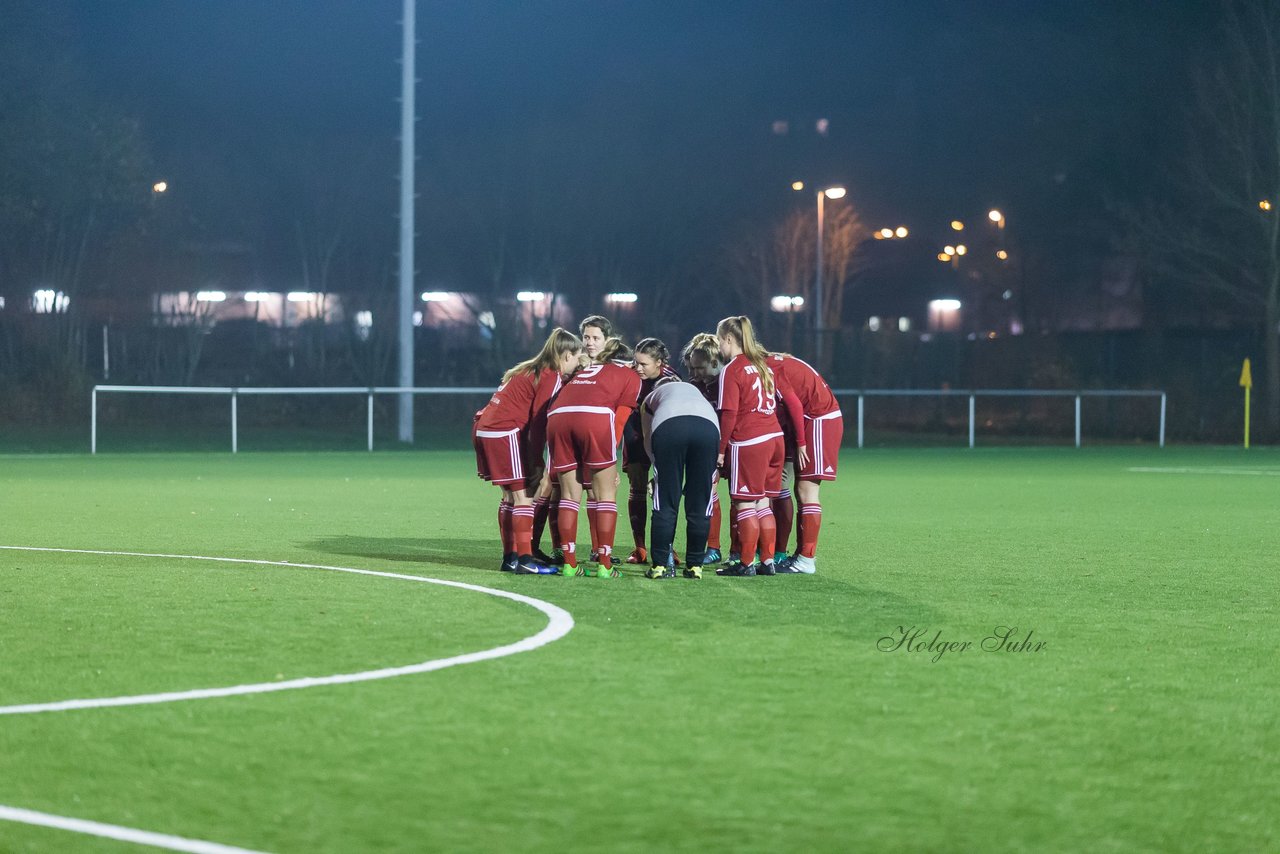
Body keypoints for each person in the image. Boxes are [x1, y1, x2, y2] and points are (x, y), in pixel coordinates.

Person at [473, 327, 583, 574]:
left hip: (487, 429)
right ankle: (525, 561)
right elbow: (538, 421)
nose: (577, 364)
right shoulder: (551, 375)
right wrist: (535, 460)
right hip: (504, 432)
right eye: (577, 358)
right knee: (524, 496)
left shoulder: (528, 367)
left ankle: (511, 558)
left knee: (510, 497)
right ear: (567, 356)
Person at [712, 315, 803, 577]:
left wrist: (721, 449)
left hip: (750, 441)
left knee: (744, 503)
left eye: (720, 341)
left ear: (728, 339)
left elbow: (729, 414)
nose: (719, 347)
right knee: (763, 503)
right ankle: (767, 561)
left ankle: (746, 563)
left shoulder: (732, 369)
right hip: (775, 439)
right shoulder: (762, 365)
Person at [545, 337, 641, 576]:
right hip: (595, 418)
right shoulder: (630, 376)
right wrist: (610, 462)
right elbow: (619, 419)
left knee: (568, 495)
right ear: (628, 361)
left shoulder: (588, 370)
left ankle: (569, 564)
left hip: (557, 418)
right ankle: (605, 566)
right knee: (605, 494)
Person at [531, 314, 616, 561]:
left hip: (592, 437)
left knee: (592, 491)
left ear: (606, 340)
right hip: (566, 435)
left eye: (596, 337)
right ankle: (545, 547)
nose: (590, 342)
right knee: (551, 486)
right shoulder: (573, 364)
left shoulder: (611, 367)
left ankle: (597, 550)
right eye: (586, 337)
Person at [766, 351, 842, 574]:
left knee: (806, 490)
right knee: (791, 487)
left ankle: (807, 560)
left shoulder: (769, 367)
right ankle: (798, 556)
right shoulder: (770, 361)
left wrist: (801, 442)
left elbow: (795, 405)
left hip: (818, 421)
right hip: (804, 422)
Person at [638, 371, 719, 580]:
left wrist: (656, 470)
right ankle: (695, 566)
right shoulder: (695, 392)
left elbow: (648, 438)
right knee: (700, 502)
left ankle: (660, 566)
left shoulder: (651, 398)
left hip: (670, 428)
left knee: (665, 501)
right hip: (708, 429)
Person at [623, 337, 680, 564]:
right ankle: (640, 548)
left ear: (660, 362)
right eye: (635, 362)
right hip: (635, 438)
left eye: (643, 364)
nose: (637, 368)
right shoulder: (630, 376)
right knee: (637, 487)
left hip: (662, 439)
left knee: (662, 492)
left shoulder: (671, 381)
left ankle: (667, 548)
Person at [680, 333, 725, 564]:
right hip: (706, 448)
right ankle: (713, 547)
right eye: (691, 368)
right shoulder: (695, 386)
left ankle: (733, 550)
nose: (693, 374)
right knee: (708, 494)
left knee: (742, 499)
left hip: (726, 446)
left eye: (697, 368)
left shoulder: (726, 383)